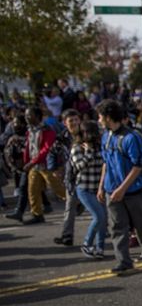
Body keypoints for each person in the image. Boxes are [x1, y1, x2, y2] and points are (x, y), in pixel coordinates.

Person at [97, 99, 142, 273]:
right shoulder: (106, 137)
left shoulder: (131, 138)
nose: (99, 120)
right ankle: (124, 261)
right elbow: (105, 163)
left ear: (108, 117)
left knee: (141, 223)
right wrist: (102, 186)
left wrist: (122, 189)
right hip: (112, 190)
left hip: (133, 191)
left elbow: (138, 166)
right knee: (117, 227)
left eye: (101, 116)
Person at [22, 106, 66, 225]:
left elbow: (45, 149)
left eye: (29, 115)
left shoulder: (47, 130)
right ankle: (37, 214)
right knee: (33, 190)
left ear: (37, 117)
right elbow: (28, 147)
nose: (26, 117)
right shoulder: (30, 130)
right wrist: (27, 161)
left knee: (57, 188)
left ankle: (77, 203)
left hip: (46, 165)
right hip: (34, 166)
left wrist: (31, 162)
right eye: (26, 115)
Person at [71, 121, 107, 259]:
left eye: (92, 132)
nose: (89, 136)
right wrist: (89, 151)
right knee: (99, 217)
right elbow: (79, 167)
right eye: (86, 132)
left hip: (99, 189)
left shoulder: (100, 147)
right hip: (84, 188)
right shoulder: (77, 148)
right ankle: (87, 244)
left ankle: (100, 248)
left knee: (104, 219)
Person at [53, 109, 82, 246]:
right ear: (65, 123)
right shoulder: (61, 138)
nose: (75, 123)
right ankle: (67, 236)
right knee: (69, 206)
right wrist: (54, 168)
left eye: (77, 120)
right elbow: (52, 153)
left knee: (99, 206)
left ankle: (105, 229)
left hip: (88, 176)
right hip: (71, 177)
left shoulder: (87, 134)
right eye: (71, 121)